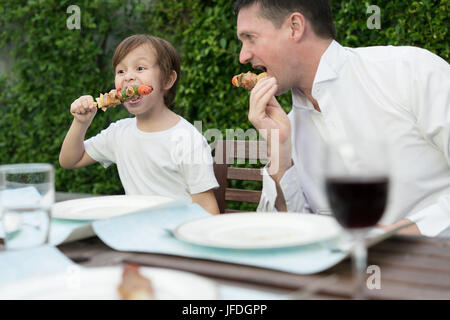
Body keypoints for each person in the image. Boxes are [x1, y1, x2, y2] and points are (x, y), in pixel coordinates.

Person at [234, 0, 450, 236]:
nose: (243, 56)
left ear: (294, 27)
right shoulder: (288, 126)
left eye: (250, 37)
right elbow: (288, 235)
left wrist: (398, 236)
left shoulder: (410, 71)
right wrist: (280, 155)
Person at [59, 34, 220, 214]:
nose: (128, 77)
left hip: (176, 234)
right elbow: (70, 160)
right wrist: (81, 122)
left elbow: (207, 207)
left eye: (140, 68)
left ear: (167, 80)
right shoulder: (119, 133)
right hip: (137, 231)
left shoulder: (187, 139)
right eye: (121, 71)